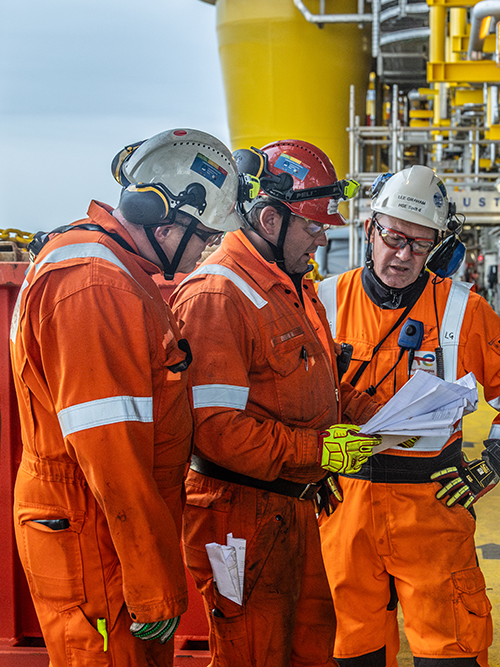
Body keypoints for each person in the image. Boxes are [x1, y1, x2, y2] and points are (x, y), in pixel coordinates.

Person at [9, 128, 242, 667]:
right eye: (206, 232)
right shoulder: (96, 285)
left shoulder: (113, 270)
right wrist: (150, 581)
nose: (212, 246)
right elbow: (110, 453)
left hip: (108, 531)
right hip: (96, 538)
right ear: (166, 220)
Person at [316, 165, 500, 667]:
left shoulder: (464, 311)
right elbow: (291, 396)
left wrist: (490, 466)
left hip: (432, 505)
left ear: (438, 249)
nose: (403, 255)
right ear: (369, 230)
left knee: (450, 655)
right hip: (343, 506)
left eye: (420, 246)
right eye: (395, 237)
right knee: (350, 653)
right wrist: (307, 468)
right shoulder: (324, 301)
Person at [170, 139, 382, 667]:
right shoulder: (218, 296)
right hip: (239, 517)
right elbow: (217, 432)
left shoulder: (293, 284)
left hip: (293, 503)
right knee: (254, 653)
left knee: (312, 648)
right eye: (313, 227)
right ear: (269, 219)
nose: (320, 240)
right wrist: (323, 452)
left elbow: (320, 381)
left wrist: (387, 415)